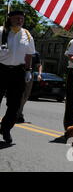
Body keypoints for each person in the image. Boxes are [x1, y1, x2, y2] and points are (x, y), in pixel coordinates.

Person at [0, 10, 35, 144]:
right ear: (10, 19)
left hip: (18, 72)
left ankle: (6, 128)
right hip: (1, 69)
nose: (20, 21)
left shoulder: (26, 34)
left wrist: (28, 70)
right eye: (17, 18)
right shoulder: (2, 31)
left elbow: (29, 54)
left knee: (15, 104)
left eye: (22, 19)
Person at [16, 51, 42, 123]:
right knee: (20, 94)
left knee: (26, 95)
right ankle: (18, 114)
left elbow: (39, 65)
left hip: (30, 74)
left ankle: (19, 112)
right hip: (20, 73)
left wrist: (39, 74)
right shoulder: (22, 48)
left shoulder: (36, 53)